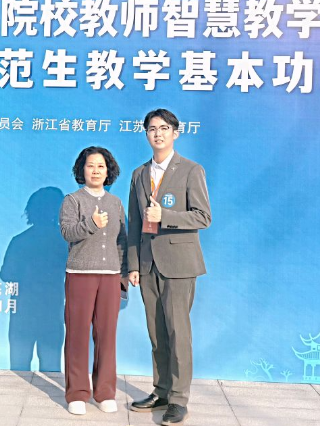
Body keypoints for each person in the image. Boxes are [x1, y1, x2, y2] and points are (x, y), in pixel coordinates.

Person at [126, 109, 211, 426]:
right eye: (152, 128)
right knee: (157, 334)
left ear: (176, 133)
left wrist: (166, 216)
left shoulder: (191, 170)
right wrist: (133, 264)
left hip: (179, 264)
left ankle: (178, 400)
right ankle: (161, 391)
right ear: (146, 134)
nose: (158, 133)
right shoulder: (139, 174)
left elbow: (203, 217)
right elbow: (134, 223)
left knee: (178, 334)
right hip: (147, 264)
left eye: (164, 128)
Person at [58, 146, 128, 416]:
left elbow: (122, 241)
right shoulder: (72, 200)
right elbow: (67, 232)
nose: (96, 171)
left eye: (101, 166)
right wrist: (92, 224)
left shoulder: (116, 203)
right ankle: (77, 393)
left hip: (110, 276)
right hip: (80, 275)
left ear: (108, 171)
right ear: (82, 170)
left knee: (107, 336)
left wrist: (124, 273)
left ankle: (105, 393)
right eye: (90, 166)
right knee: (77, 334)